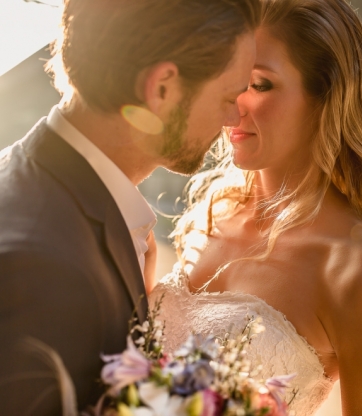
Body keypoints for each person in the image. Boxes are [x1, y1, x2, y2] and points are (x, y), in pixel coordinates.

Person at [150, 0, 362, 414]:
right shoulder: (211, 213)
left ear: (326, 95)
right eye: (230, 79)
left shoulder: (356, 268)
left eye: (258, 85)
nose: (233, 103)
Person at [0, 0, 259, 414]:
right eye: (229, 95)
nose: (232, 118)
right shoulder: (42, 267)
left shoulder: (37, 182)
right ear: (162, 89)